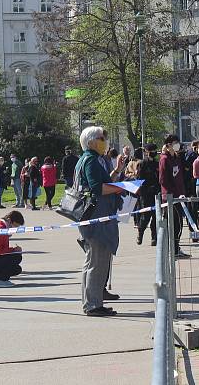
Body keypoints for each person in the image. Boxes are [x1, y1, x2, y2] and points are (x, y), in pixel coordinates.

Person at [76, 126, 123, 317]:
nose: (105, 141)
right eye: (102, 138)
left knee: (92, 262)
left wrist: (117, 171)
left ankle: (92, 302)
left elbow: (101, 182)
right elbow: (97, 188)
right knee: (97, 262)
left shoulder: (89, 159)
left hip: (92, 217)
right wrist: (121, 187)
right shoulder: (91, 160)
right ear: (92, 141)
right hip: (97, 218)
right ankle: (93, 305)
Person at [159, 134, 188, 258]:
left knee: (178, 225)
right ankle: (171, 250)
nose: (178, 145)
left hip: (179, 196)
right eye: (175, 142)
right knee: (172, 225)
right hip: (170, 197)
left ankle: (176, 248)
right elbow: (163, 179)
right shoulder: (164, 159)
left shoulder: (176, 157)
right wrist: (171, 193)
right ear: (169, 145)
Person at [137, 143, 161, 246]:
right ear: (147, 152)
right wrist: (145, 189)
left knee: (156, 217)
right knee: (145, 217)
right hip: (146, 195)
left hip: (156, 194)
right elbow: (139, 180)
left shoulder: (157, 164)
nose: (154, 153)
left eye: (155, 151)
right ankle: (140, 232)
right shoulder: (142, 164)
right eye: (152, 151)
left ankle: (154, 238)